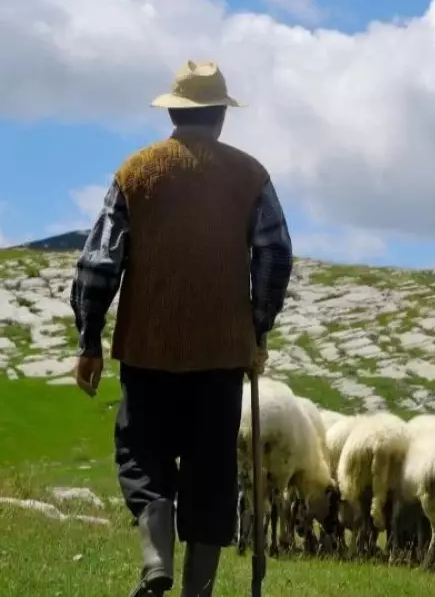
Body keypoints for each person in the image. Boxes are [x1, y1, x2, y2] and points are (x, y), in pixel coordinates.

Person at [70, 60, 294, 597]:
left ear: (173, 111)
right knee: (211, 469)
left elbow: (99, 261)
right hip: (220, 354)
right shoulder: (251, 176)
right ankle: (198, 591)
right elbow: (274, 256)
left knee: (141, 456)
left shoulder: (136, 172)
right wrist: (257, 328)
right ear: (221, 117)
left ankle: (155, 562)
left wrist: (89, 339)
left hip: (147, 348)